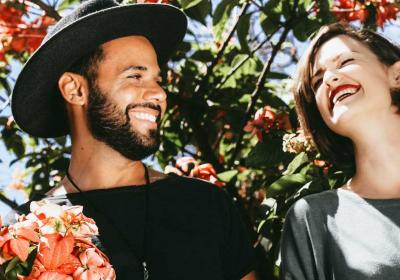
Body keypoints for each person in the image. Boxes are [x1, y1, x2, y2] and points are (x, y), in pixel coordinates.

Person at [9, 0, 255, 279]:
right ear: (75, 89)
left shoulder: (205, 204)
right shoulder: (24, 233)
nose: (159, 94)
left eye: (158, 80)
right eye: (135, 76)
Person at [280, 23, 400, 280]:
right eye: (317, 81)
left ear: (396, 75)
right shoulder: (314, 219)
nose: (330, 79)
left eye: (345, 62)